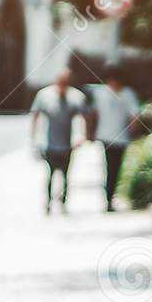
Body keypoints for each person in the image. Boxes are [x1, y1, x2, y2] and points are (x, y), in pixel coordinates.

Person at [29, 68, 89, 214]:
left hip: (67, 143)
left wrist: (81, 136)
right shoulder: (44, 95)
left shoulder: (76, 97)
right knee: (50, 174)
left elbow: (82, 118)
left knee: (66, 175)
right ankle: (48, 202)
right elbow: (36, 116)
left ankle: (63, 202)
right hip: (50, 143)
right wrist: (35, 137)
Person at [91, 67, 142, 212]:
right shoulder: (101, 93)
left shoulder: (128, 94)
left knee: (115, 168)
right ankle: (108, 197)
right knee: (109, 166)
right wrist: (91, 132)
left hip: (121, 137)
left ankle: (110, 196)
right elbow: (94, 113)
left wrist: (133, 130)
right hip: (105, 136)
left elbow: (135, 115)